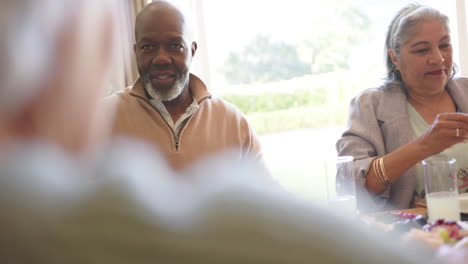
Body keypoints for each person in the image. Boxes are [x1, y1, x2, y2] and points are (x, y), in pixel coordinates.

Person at [337, 3, 468, 211]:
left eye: (444, 45)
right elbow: (350, 185)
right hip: (409, 236)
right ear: (395, 58)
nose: (438, 58)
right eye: (422, 50)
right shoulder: (369, 106)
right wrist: (424, 145)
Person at [105, 0, 264, 171]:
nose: (161, 59)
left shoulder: (232, 122)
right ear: (136, 52)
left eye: (175, 46)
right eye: (148, 46)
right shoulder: (101, 120)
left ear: (193, 50)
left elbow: (264, 194)